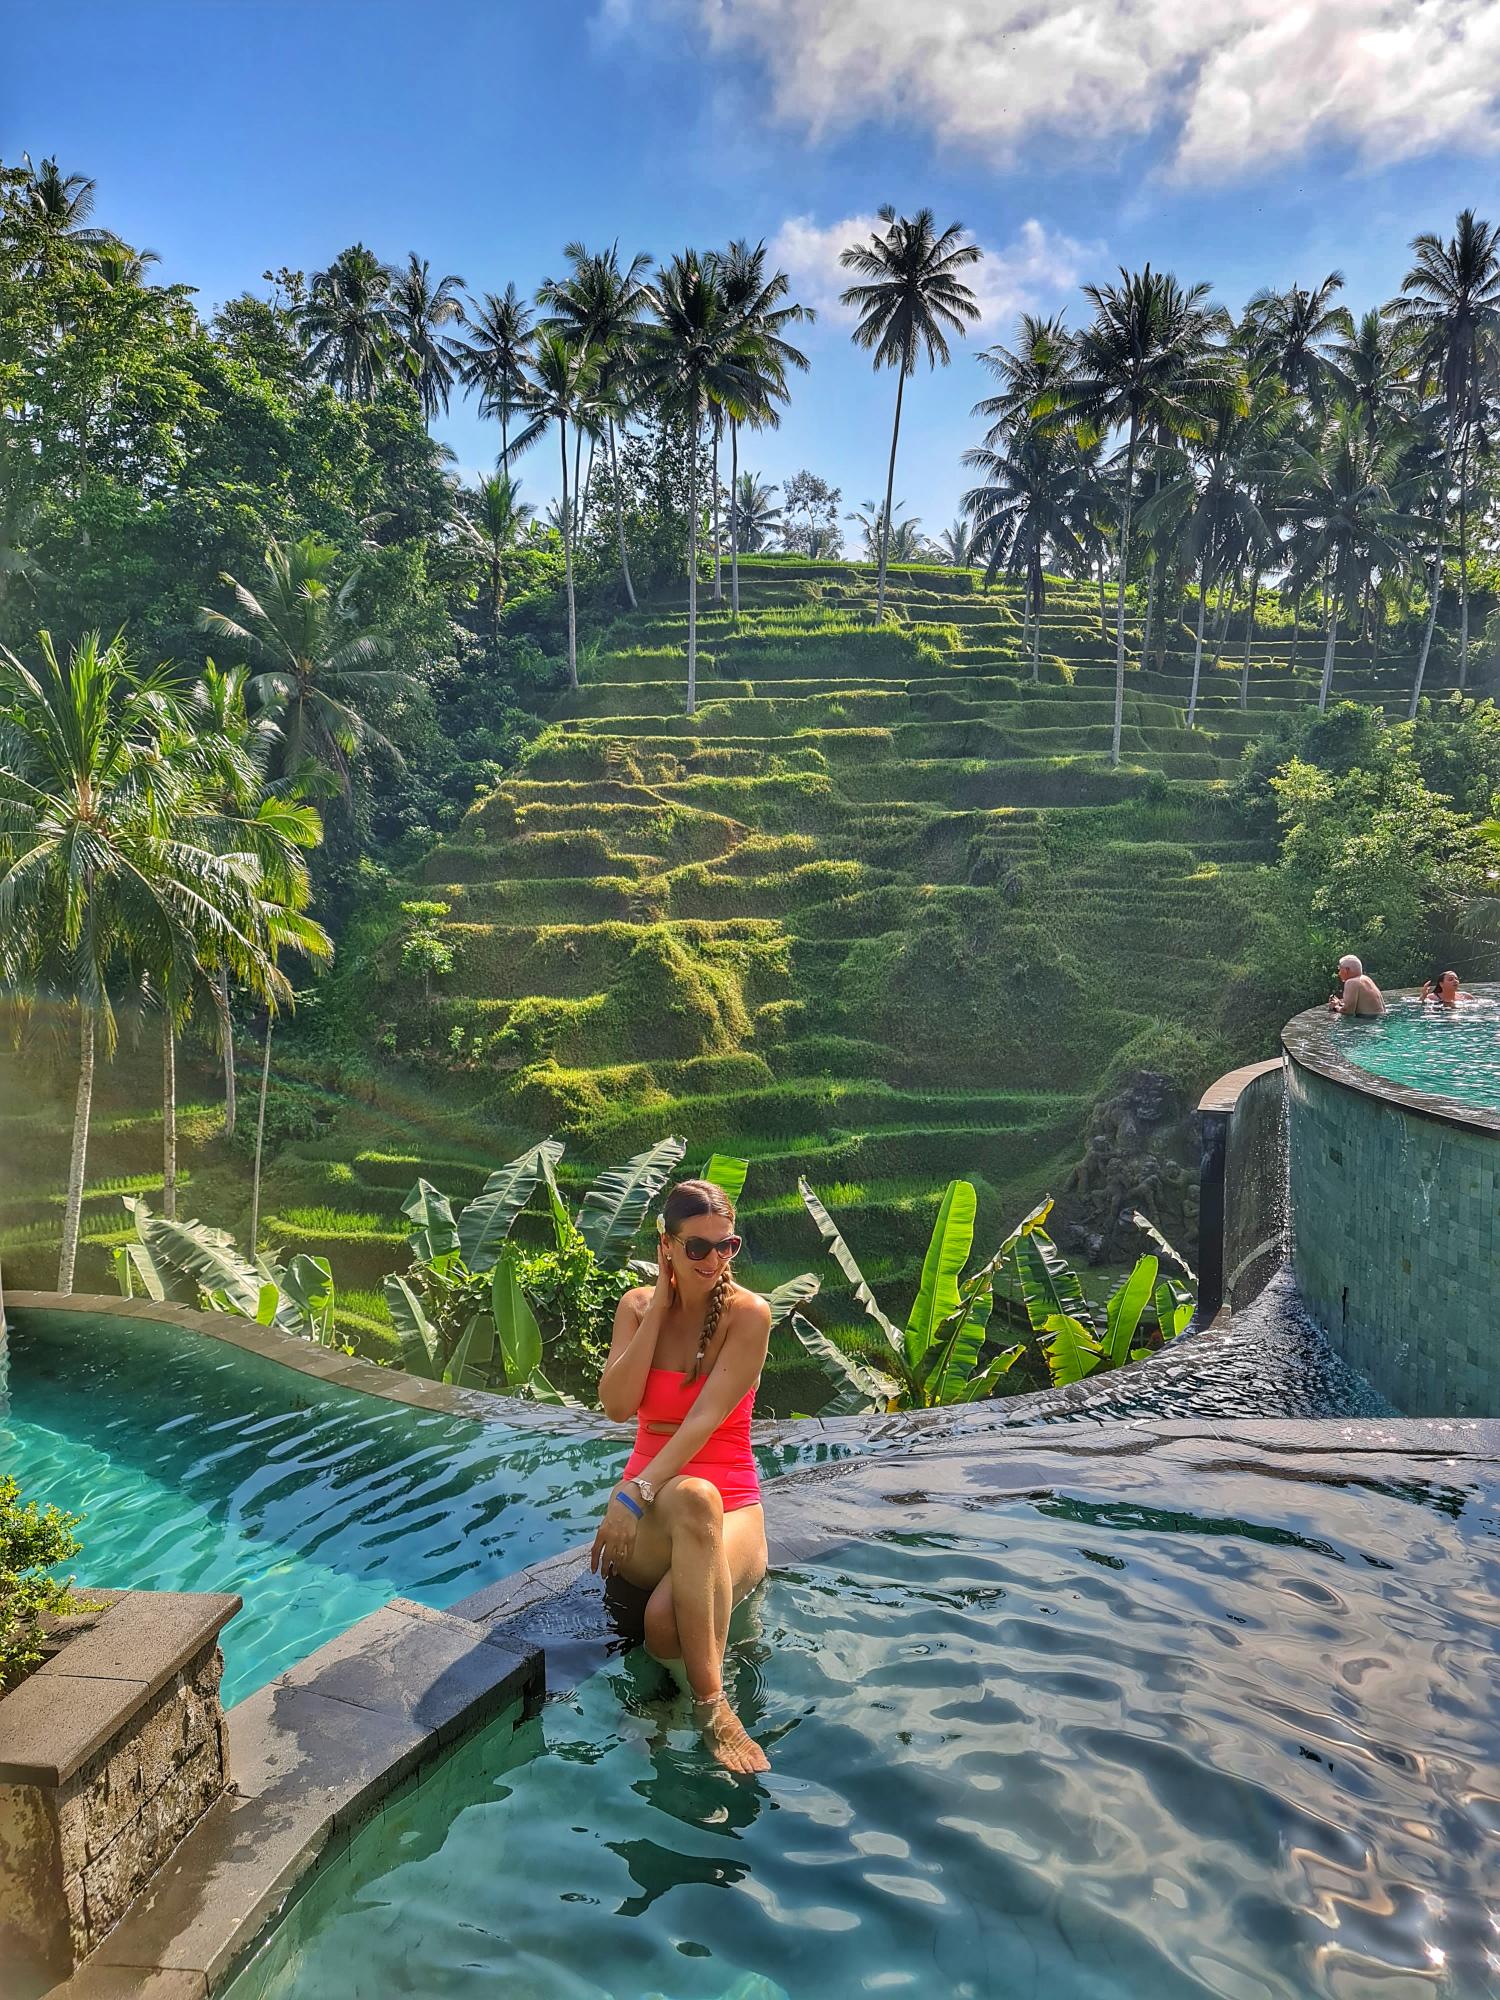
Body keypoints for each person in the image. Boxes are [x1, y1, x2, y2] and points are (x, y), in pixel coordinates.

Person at [591, 1178, 773, 1774]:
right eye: (698, 1248)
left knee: (665, 1624)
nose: (715, 1261)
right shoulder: (636, 1306)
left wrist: (634, 1490)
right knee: (692, 1498)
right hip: (656, 1508)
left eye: (728, 1246)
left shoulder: (749, 1315)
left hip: (730, 1498)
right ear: (666, 1245)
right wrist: (658, 1313)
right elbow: (617, 1406)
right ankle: (713, 1707)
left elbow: (701, 1424)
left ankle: (684, 1703)